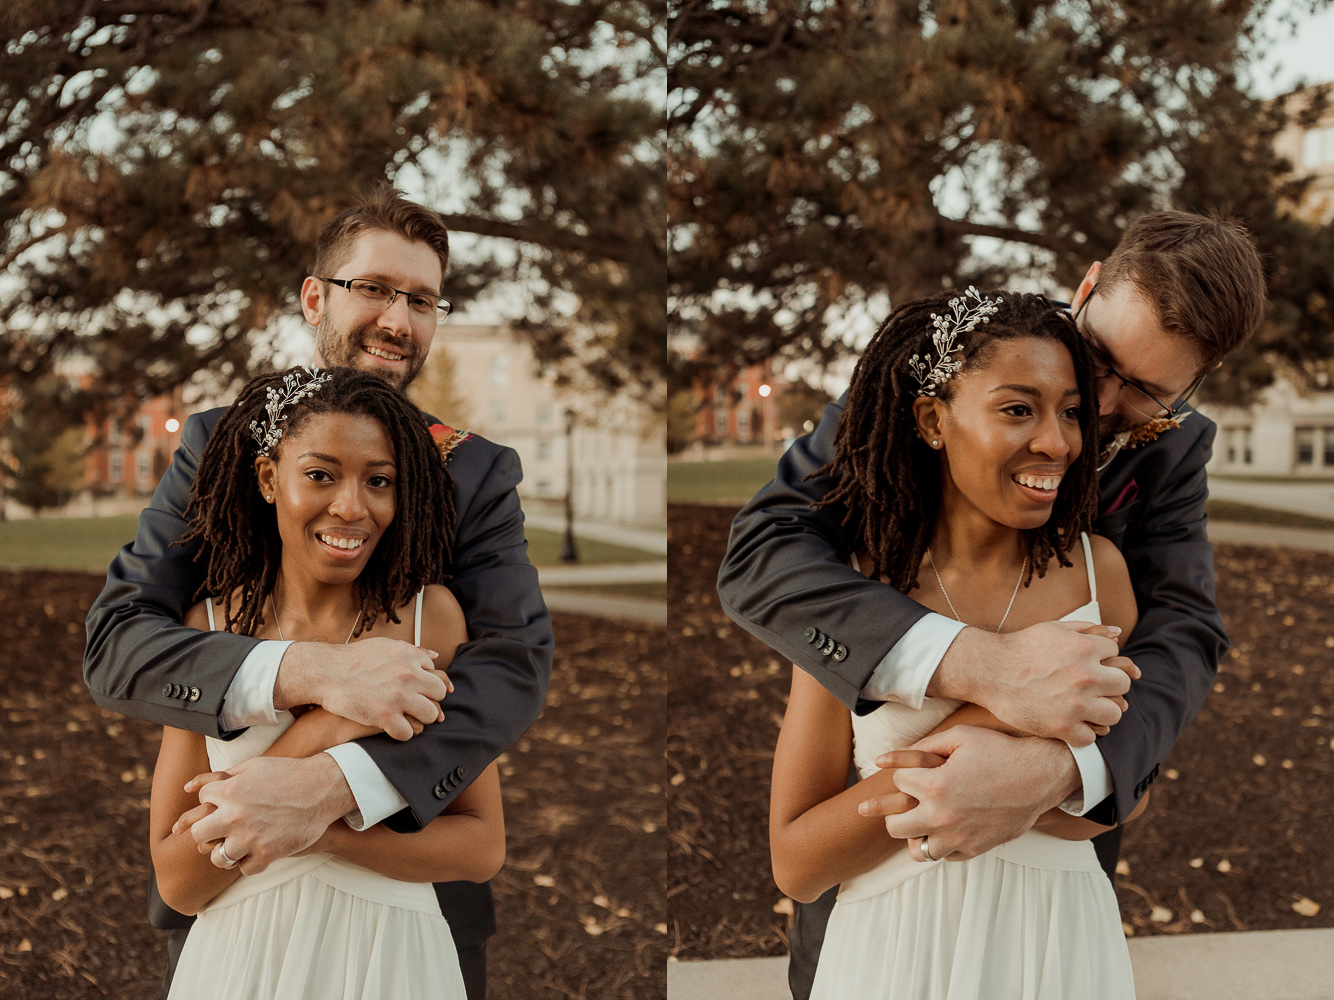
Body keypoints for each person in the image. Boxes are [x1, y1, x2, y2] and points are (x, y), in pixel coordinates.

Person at [717, 210, 1266, 998]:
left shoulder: (1170, 458)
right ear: (1086, 289)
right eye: (1102, 359)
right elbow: (762, 553)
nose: (1102, 405)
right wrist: (982, 668)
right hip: (879, 915)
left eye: (1148, 391)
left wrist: (1058, 770)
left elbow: (1183, 633)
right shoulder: (946, 366)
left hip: (1050, 908)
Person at [83, 186, 552, 999]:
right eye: (374, 288)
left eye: (422, 299)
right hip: (231, 900)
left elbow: (510, 666)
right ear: (315, 297)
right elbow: (118, 641)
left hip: (412, 909)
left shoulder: (473, 471)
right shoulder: (216, 445)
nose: (398, 320)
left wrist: (330, 789)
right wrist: (308, 672)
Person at [771, 290, 1143, 998]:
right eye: (1017, 409)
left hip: (1057, 948)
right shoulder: (853, 590)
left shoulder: (1103, 574)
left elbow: (1127, 797)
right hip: (893, 955)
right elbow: (796, 861)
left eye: (1070, 412)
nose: (1058, 442)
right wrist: (1006, 716)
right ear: (933, 419)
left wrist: (1014, 785)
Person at [150, 365, 504, 998]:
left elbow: (482, 846)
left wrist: (317, 825)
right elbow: (177, 882)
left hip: (391, 956)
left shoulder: (431, 620)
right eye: (320, 474)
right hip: (240, 958)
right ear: (267, 478)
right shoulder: (206, 629)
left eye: (379, 481)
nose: (352, 506)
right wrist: (336, 724)